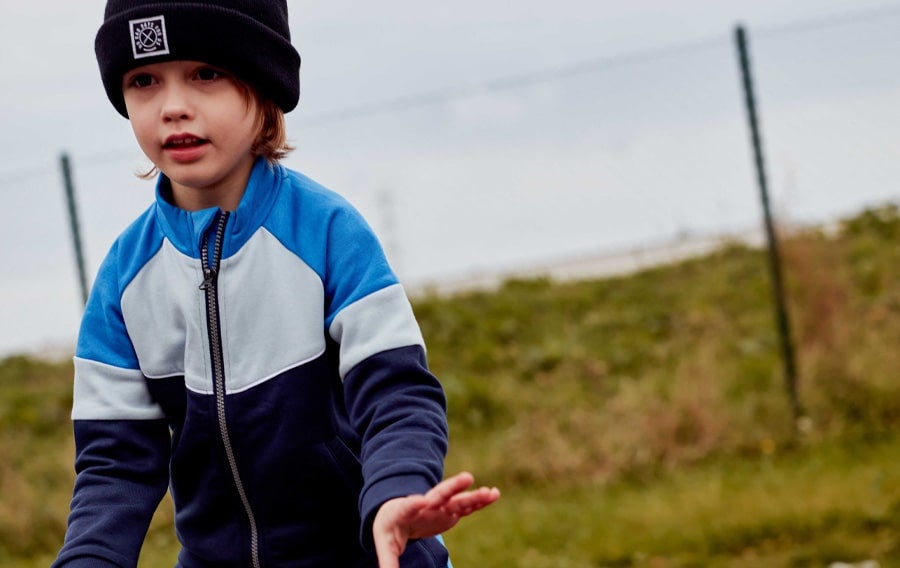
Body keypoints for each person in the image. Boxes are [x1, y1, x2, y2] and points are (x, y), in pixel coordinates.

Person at [53, 1, 499, 567]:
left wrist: (397, 494)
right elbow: (113, 463)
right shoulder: (124, 278)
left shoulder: (327, 232)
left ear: (263, 83)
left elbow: (396, 393)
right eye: (143, 81)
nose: (172, 107)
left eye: (205, 74)